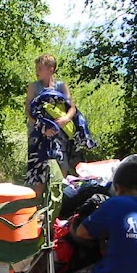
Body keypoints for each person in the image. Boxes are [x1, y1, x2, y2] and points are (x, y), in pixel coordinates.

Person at [25, 54, 82, 184]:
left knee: (62, 163)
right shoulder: (33, 87)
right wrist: (43, 127)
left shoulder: (61, 86)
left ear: (51, 69)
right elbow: (28, 111)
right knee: (38, 166)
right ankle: (38, 200)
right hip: (38, 131)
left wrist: (66, 118)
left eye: (40, 68)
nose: (36, 71)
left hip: (59, 131)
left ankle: (60, 195)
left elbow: (72, 108)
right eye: (36, 68)